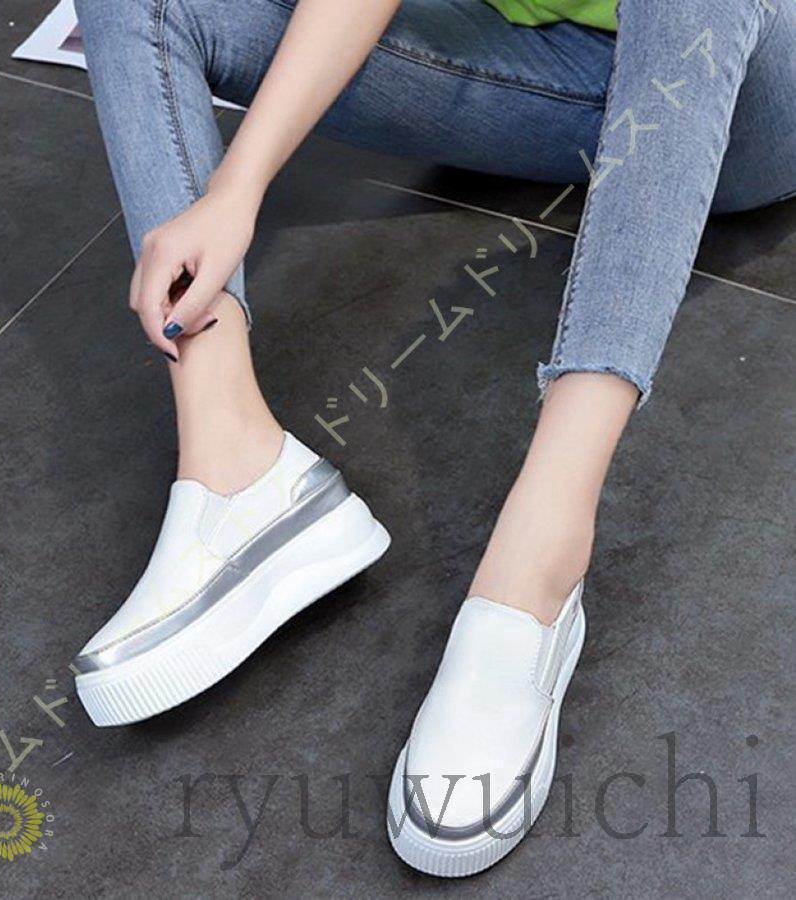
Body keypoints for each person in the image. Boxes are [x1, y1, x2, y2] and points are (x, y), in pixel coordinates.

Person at [70, 0, 794, 877]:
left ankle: (537, 563)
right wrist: (235, 191)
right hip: (569, 77)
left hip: (752, 86)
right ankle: (237, 466)